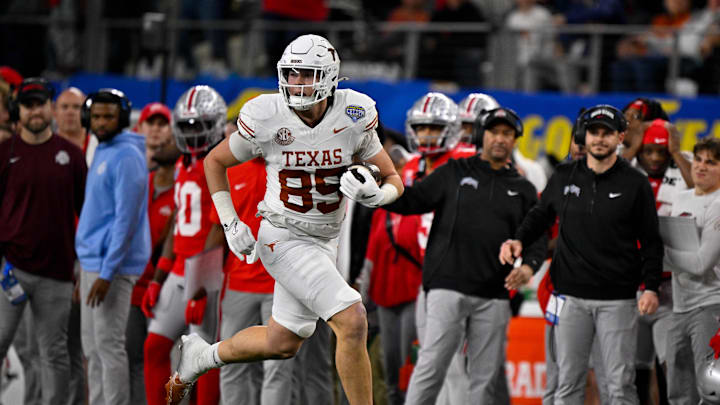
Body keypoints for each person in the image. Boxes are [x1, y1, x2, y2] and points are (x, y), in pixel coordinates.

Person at [164, 34, 403, 405]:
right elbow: (215, 162)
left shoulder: (354, 114)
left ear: (329, 77)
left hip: (326, 240)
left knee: (282, 343)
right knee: (353, 320)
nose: (296, 83)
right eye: (291, 74)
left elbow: (394, 179)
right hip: (283, 236)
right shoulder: (266, 115)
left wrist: (377, 194)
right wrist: (230, 222)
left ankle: (202, 356)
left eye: (306, 74)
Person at [500, 104, 664, 404]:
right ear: (583, 136)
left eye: (607, 133)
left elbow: (651, 241)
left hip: (618, 300)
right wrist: (519, 240)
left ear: (620, 137)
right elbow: (540, 214)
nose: (599, 139)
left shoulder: (635, 183)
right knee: (567, 382)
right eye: (593, 132)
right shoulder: (564, 175)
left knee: (618, 386)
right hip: (570, 298)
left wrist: (651, 286)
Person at [384, 106, 546, 404]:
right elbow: (413, 200)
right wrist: (377, 190)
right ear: (483, 136)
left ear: (515, 140)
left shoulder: (523, 189)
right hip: (446, 287)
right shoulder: (454, 172)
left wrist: (529, 267)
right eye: (495, 132)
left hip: (495, 295)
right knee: (432, 367)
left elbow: (537, 237)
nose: (500, 139)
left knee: (483, 380)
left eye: (507, 134)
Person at [212, 156, 333, 404]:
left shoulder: (295, 168)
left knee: (278, 369)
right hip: (238, 284)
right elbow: (218, 231)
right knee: (231, 365)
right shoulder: (231, 170)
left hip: (282, 284)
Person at [0, 77, 86, 405]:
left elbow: (86, 215)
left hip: (58, 274)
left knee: (54, 353)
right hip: (12, 269)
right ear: (17, 111)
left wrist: (82, 264)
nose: (35, 111)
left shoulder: (72, 156)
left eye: (40, 104)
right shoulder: (4, 153)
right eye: (28, 105)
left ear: (49, 107)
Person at [142, 86, 226, 405]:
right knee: (154, 346)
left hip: (205, 272)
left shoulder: (219, 163)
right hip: (178, 269)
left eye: (199, 125)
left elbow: (219, 228)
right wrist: (158, 277)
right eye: (187, 125)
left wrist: (201, 287)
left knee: (204, 357)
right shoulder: (182, 164)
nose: (192, 132)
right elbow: (178, 225)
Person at [75, 88, 151, 405]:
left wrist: (107, 273)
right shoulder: (104, 149)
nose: (102, 122)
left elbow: (125, 221)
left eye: (109, 116)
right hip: (95, 264)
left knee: (109, 347)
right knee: (92, 349)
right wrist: (89, 268)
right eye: (96, 116)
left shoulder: (127, 157)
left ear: (121, 118)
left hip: (113, 269)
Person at [126, 101, 177, 405]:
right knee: (133, 358)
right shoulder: (138, 184)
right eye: (151, 124)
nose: (158, 135)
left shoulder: (185, 188)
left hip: (166, 288)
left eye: (164, 127)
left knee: (164, 359)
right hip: (133, 286)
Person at [663, 137, 720, 404]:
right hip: (679, 304)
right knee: (677, 390)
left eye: (711, 162)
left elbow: (701, 264)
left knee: (709, 392)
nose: (701, 167)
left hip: (711, 306)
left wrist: (660, 256)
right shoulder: (680, 198)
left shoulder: (719, 203)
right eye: (698, 159)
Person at [136, 102, 172, 171]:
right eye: (150, 123)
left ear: (170, 130)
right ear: (139, 127)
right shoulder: (127, 160)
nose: (155, 129)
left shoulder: (179, 165)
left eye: (161, 124)